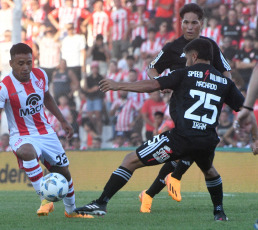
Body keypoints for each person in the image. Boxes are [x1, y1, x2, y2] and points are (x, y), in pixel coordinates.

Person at [74, 38, 250, 221]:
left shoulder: (184, 74)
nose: (186, 62)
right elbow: (246, 110)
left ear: (194, 56)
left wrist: (119, 85)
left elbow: (152, 85)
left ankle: (101, 202)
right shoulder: (224, 81)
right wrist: (255, 136)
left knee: (130, 160)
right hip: (206, 141)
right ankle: (219, 213)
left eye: (188, 58)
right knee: (210, 171)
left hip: (180, 139)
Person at [0, 43, 93, 219]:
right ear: (11, 63)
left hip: (45, 132)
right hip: (21, 135)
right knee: (27, 151)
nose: (26, 68)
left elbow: (47, 98)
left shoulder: (40, 75)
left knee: (64, 172)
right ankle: (45, 199)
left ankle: (71, 211)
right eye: (20, 63)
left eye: (29, 63)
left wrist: (63, 121)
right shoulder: (3, 87)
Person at [141, 3, 233, 216]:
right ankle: (216, 209)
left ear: (202, 24)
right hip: (181, 107)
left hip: (204, 106)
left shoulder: (210, 46)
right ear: (180, 23)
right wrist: (159, 82)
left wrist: (224, 92)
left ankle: (150, 193)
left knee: (191, 152)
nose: (189, 27)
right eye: (186, 22)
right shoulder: (173, 47)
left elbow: (227, 72)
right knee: (194, 146)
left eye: (194, 22)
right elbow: (152, 68)